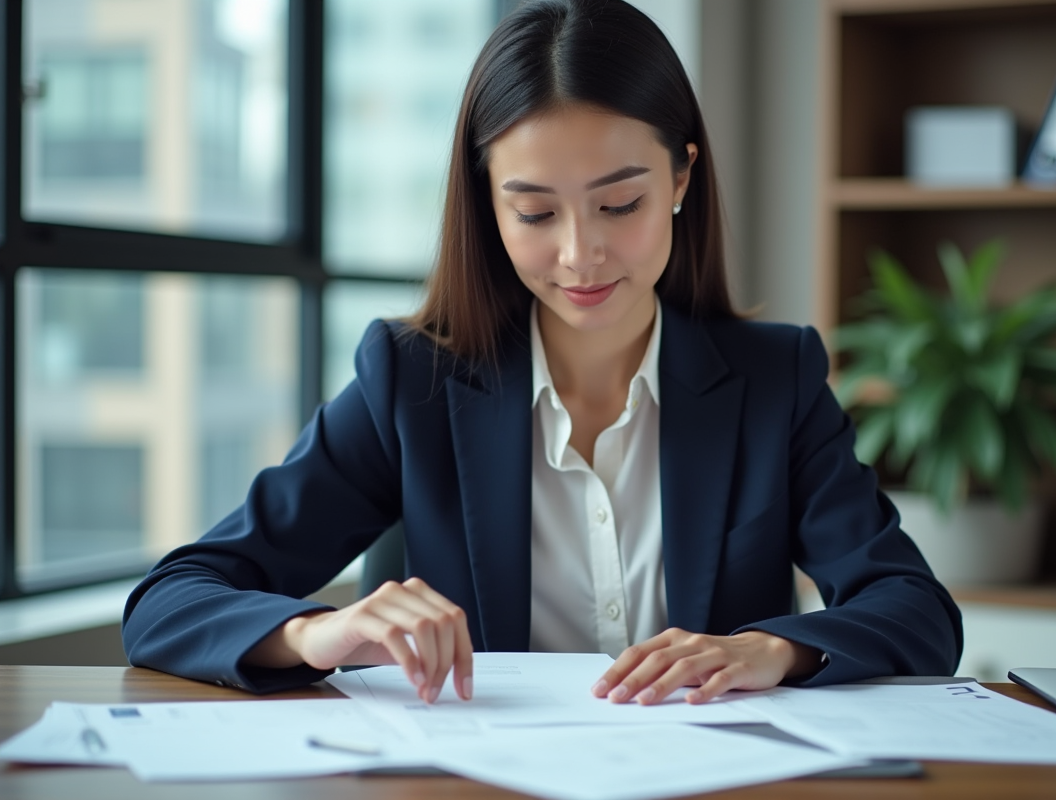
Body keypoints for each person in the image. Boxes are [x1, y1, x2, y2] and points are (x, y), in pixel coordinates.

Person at [122, 0, 962, 705]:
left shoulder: (775, 379)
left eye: (620, 203)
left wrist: (771, 651)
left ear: (680, 180)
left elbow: (916, 610)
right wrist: (318, 631)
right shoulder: (409, 381)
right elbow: (169, 603)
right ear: (487, 205)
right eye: (534, 213)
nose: (580, 255)